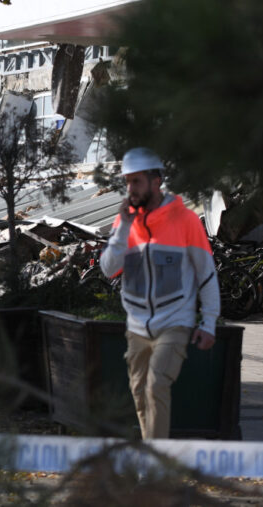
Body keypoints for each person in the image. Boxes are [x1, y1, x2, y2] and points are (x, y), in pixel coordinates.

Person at [99, 147, 220, 439]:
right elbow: (107, 269)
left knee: (156, 385)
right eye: (127, 182)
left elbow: (206, 272)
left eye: (136, 181)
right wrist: (123, 230)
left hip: (175, 321)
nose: (130, 189)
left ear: (156, 181)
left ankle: (155, 464)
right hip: (137, 325)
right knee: (140, 394)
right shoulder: (124, 221)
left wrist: (209, 322)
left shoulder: (186, 220)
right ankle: (153, 455)